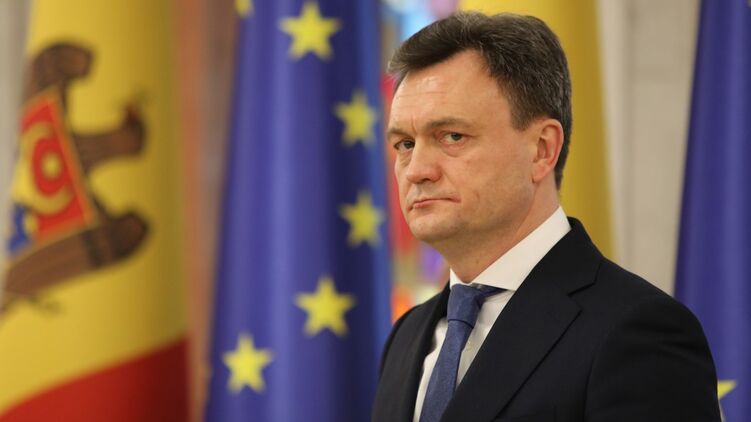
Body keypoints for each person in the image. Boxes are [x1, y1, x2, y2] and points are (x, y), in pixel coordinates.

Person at [372, 12, 720, 422]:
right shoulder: (408, 335)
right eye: (405, 144)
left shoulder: (637, 331)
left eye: (452, 136)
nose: (416, 170)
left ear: (541, 149)